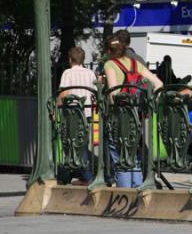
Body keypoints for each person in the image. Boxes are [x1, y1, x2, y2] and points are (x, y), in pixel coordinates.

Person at [104, 36, 163, 188]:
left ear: (109, 50)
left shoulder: (110, 64)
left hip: (118, 118)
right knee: (133, 157)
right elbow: (159, 84)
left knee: (121, 159)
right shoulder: (135, 64)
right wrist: (149, 104)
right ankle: (137, 195)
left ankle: (125, 196)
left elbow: (113, 94)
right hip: (135, 117)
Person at [57, 46, 97, 184]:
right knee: (83, 143)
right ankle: (80, 174)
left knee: (71, 144)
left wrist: (56, 107)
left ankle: (85, 176)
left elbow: (64, 93)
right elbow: (94, 94)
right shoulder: (91, 73)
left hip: (72, 115)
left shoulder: (67, 73)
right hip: (86, 114)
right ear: (83, 59)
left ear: (70, 59)